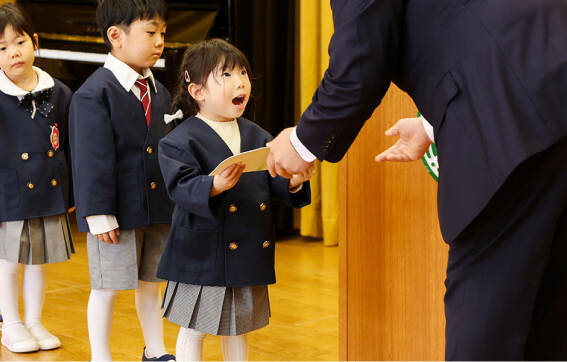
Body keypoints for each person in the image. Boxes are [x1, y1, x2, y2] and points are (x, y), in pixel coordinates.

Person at [266, 0, 567, 359]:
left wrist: (302, 143)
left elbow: (360, 62)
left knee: (485, 306)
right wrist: (430, 123)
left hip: (510, 111)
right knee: (551, 299)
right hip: (550, 74)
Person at [157, 39, 313, 361]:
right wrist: (212, 186)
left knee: (238, 326)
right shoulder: (178, 140)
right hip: (203, 252)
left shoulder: (258, 135)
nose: (240, 81)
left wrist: (293, 182)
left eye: (242, 72)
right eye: (226, 75)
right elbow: (179, 187)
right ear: (198, 92)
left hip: (247, 247)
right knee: (194, 327)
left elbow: (273, 181)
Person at [69, 0, 176, 360]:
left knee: (152, 284)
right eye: (151, 32)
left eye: (163, 32)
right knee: (107, 287)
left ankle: (156, 350)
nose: (160, 41)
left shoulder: (159, 91)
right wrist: (98, 213)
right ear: (116, 36)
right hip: (115, 214)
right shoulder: (92, 94)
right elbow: (91, 160)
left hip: (157, 208)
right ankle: (101, 356)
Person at [0, 3, 74, 353]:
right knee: (10, 263)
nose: (14, 53)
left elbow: (70, 146)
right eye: (2, 47)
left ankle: (34, 321)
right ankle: (11, 325)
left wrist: (72, 196)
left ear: (35, 42)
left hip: (49, 191)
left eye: (20, 42)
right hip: (9, 195)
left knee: (39, 262)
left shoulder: (59, 91)